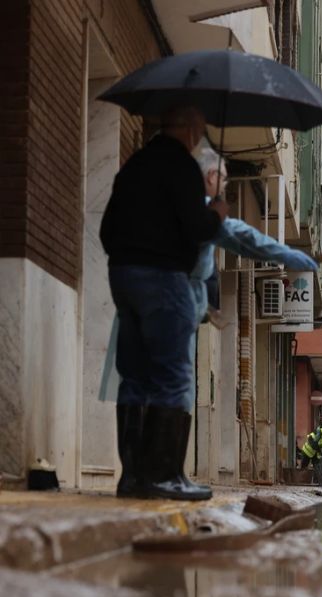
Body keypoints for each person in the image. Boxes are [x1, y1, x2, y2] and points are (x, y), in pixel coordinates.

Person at [101, 105, 227, 501]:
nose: (201, 132)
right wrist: (217, 216)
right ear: (189, 127)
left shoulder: (133, 166)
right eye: (200, 126)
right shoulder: (182, 169)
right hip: (164, 281)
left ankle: (133, 477)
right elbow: (196, 228)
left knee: (134, 375)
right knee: (173, 376)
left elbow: (107, 230)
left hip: (123, 277)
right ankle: (164, 476)